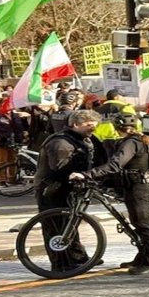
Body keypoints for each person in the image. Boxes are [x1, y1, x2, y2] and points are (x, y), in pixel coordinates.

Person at [69, 113, 149, 274]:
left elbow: (115, 165)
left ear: (117, 128)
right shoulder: (146, 140)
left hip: (137, 187)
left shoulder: (130, 143)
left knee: (143, 223)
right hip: (142, 184)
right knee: (138, 222)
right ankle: (142, 257)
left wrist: (88, 174)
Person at [34, 109, 101, 272]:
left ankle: (77, 257)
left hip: (67, 187)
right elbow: (59, 169)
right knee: (55, 225)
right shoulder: (61, 143)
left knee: (70, 223)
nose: (93, 129)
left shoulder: (82, 138)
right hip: (51, 189)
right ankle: (60, 264)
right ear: (76, 124)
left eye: (95, 125)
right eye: (89, 125)